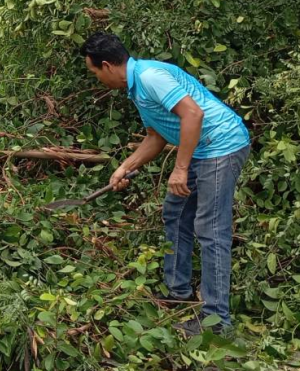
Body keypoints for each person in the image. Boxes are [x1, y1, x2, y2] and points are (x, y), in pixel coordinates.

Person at [81, 31, 250, 332]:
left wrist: (180, 168)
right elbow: (155, 138)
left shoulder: (150, 77)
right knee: (176, 213)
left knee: (211, 230)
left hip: (221, 146)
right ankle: (179, 294)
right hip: (202, 149)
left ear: (106, 65)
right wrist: (124, 168)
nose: (96, 80)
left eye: (93, 73)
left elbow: (193, 115)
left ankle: (216, 322)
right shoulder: (136, 87)